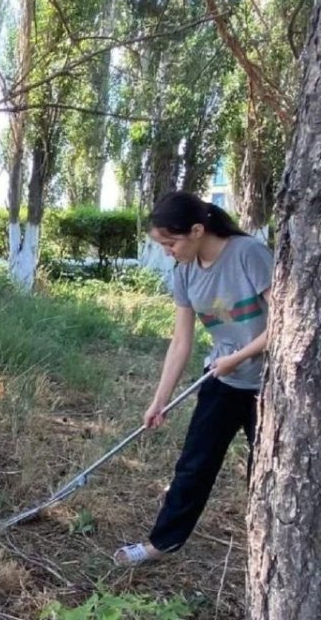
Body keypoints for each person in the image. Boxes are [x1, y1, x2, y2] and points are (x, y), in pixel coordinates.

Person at [114, 192, 273, 564]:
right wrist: (159, 400)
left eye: (171, 243)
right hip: (222, 380)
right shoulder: (183, 271)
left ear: (198, 230)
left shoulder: (248, 253)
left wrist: (239, 356)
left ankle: (270, 550)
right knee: (194, 465)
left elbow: (288, 319)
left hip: (270, 385)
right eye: (162, 245)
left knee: (266, 472)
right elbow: (181, 342)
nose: (168, 251)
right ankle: (161, 544)